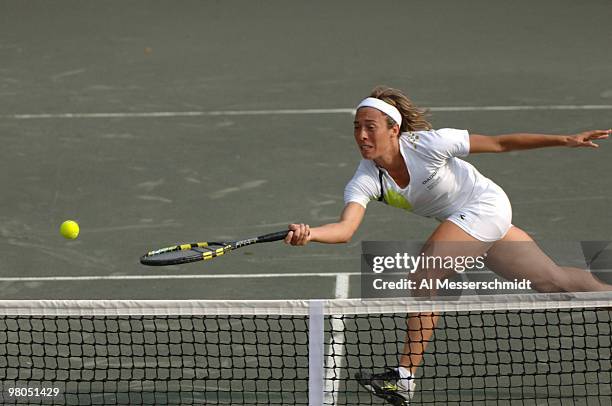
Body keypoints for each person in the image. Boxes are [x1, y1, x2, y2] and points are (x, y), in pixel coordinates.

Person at [284, 86, 611, 405]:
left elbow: (498, 143)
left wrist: (565, 140)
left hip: (486, 207)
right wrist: (310, 233)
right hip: (468, 223)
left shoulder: (428, 144)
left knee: (424, 277)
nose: (362, 136)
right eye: (357, 128)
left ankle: (404, 377)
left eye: (370, 127)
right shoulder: (366, 178)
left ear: (394, 129)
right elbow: (345, 229)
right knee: (552, 281)